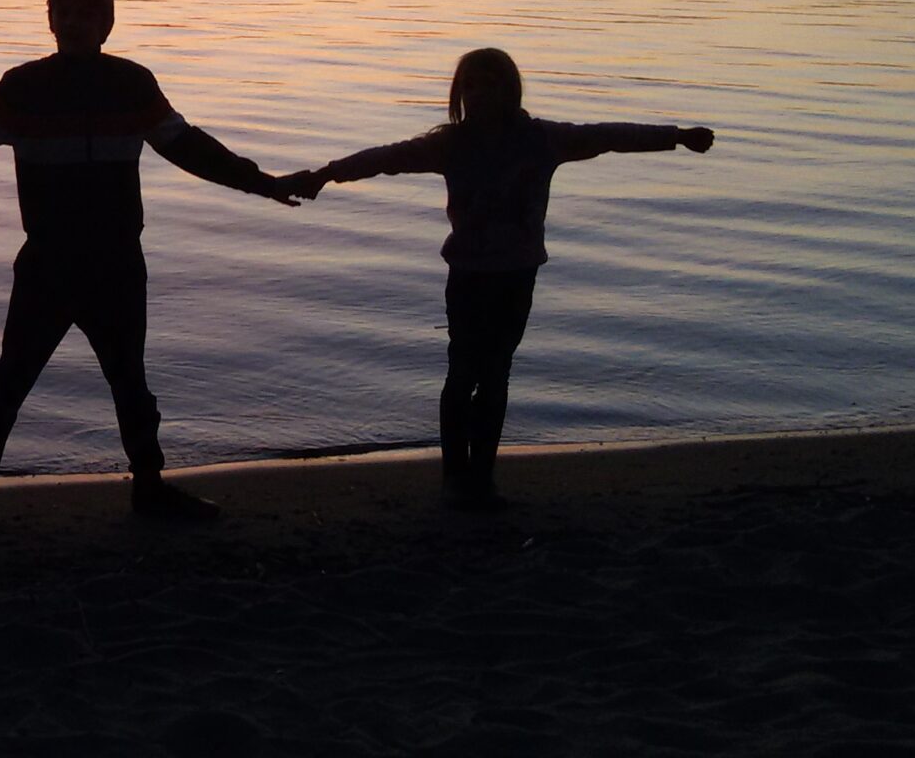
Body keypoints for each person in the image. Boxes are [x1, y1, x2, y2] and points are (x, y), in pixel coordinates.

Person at [0, 0, 300, 538]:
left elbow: (190, 148)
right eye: (64, 12)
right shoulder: (21, 86)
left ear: (106, 25)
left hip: (117, 262)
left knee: (130, 383)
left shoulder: (134, 84)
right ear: (50, 20)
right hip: (47, 263)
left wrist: (261, 183)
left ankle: (149, 489)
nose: (74, 22)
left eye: (86, 14)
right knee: (10, 382)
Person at [285, 48, 714, 509]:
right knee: (462, 372)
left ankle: (483, 480)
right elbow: (387, 158)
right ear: (458, 92)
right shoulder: (450, 144)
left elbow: (608, 136)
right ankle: (455, 481)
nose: (477, 93)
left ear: (508, 91)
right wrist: (327, 174)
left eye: (488, 84)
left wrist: (676, 136)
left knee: (495, 375)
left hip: (517, 275)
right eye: (469, 85)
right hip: (468, 274)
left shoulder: (541, 140)